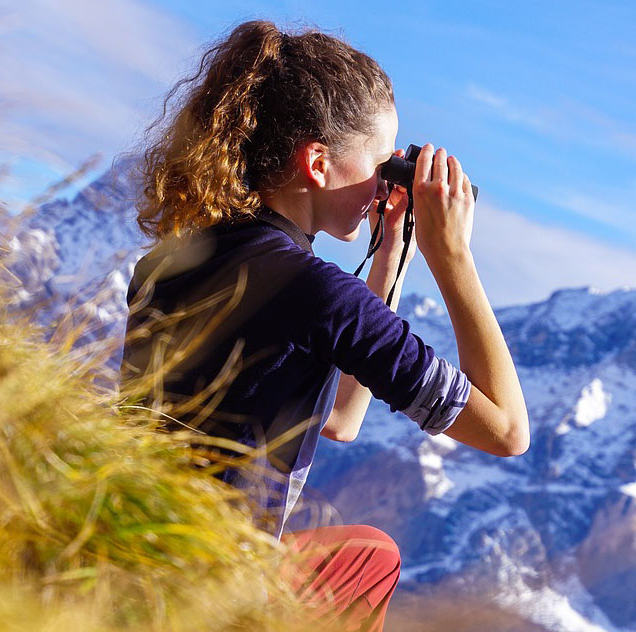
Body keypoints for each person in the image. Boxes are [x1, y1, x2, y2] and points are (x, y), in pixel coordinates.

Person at [120, 20, 529, 631]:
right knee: (371, 559)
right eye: (382, 161)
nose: (389, 179)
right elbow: (506, 429)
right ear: (316, 161)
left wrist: (392, 252)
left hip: (129, 557)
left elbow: (339, 419)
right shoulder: (315, 290)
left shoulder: (170, 262)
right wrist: (453, 258)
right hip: (213, 591)